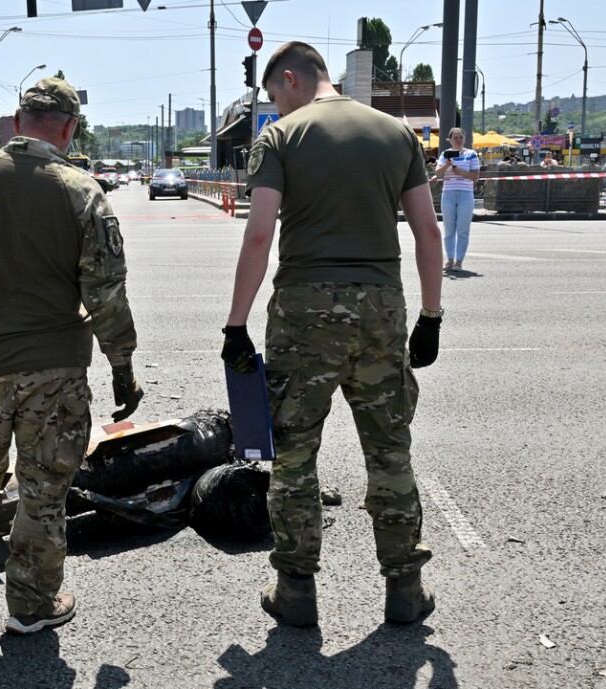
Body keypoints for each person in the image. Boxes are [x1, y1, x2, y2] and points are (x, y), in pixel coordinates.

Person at [221, 41, 443, 628]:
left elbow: (259, 235)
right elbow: (427, 232)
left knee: (294, 455)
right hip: (381, 309)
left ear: (291, 79)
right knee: (389, 449)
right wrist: (431, 316)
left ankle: (296, 591)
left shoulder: (280, 138)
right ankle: (404, 587)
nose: (276, 108)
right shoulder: (396, 134)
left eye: (275, 96)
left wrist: (236, 325)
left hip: (304, 314)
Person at [0, 77, 143, 635]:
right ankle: (31, 603)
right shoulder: (82, 191)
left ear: (18, 122)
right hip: (56, 369)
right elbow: (105, 293)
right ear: (70, 128)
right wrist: (122, 366)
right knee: (43, 487)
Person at [434, 128, 480, 272]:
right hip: (448, 193)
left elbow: (475, 176)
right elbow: (437, 173)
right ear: (450, 140)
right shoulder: (445, 154)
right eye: (455, 137)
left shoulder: (471, 154)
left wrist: (460, 172)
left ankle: (459, 261)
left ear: (464, 138)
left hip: (465, 194)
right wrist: (447, 164)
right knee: (449, 229)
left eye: (461, 137)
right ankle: (450, 259)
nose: (458, 140)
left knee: (463, 229)